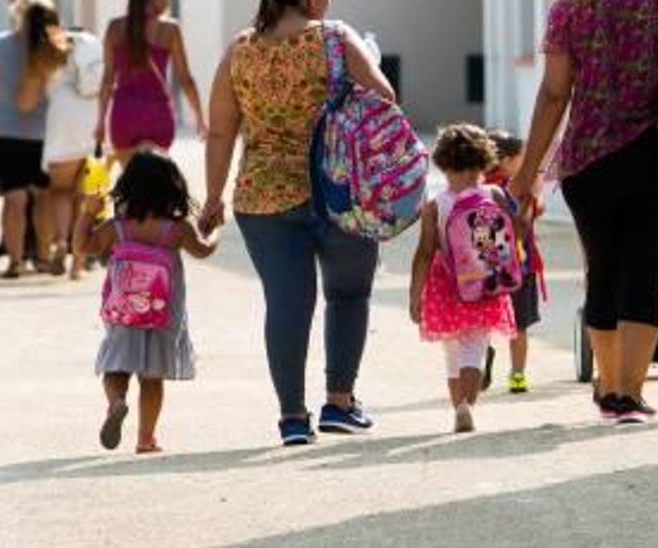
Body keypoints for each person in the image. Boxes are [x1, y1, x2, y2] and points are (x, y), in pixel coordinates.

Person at [509, 0, 658, 423]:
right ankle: (628, 396)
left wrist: (527, 171)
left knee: (603, 272)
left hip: (587, 163)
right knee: (646, 272)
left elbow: (554, 92)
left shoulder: (567, 9)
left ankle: (609, 388)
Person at [201, 0, 397, 446]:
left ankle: (292, 418)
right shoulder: (336, 38)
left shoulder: (239, 50)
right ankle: (339, 403)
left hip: (263, 196)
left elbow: (220, 131)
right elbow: (385, 99)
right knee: (348, 294)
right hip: (340, 190)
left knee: (287, 305)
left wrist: (213, 198)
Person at [73, 150, 219, 454]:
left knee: (116, 367)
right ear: (173, 190)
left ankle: (116, 403)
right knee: (152, 378)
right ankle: (145, 438)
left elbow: (82, 247)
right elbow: (204, 250)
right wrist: (214, 227)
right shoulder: (177, 230)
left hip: (123, 312)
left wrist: (88, 213)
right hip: (160, 315)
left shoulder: (118, 227)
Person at [410, 125, 519, 433]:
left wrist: (414, 295)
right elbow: (513, 233)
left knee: (452, 352)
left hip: (447, 286)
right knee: (475, 348)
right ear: (485, 160)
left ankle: (458, 406)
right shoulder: (494, 194)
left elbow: (424, 253)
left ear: (442, 164)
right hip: (485, 283)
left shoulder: (436, 204)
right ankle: (468, 407)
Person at [0, 0, 67, 279]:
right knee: (42, 196)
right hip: (40, 135)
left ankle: (14, 263)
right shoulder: (54, 49)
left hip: (2, 132)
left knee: (14, 198)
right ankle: (42, 259)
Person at [96, 0, 207, 164]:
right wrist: (199, 118)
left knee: (131, 183)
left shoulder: (114, 27)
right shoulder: (169, 29)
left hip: (124, 116)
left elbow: (107, 80)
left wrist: (100, 123)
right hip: (157, 116)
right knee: (155, 181)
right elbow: (185, 80)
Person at [44, 28, 105, 280]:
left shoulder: (56, 46)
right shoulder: (94, 46)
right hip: (90, 117)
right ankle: (78, 264)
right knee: (83, 195)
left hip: (63, 116)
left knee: (60, 191)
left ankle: (59, 242)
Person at [485, 131, 542, 394]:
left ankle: (479, 361)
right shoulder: (517, 189)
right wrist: (533, 195)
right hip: (520, 267)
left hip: (485, 269)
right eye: (522, 158)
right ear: (507, 160)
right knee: (519, 327)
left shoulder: (480, 186)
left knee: (483, 322)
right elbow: (524, 223)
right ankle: (517, 375)